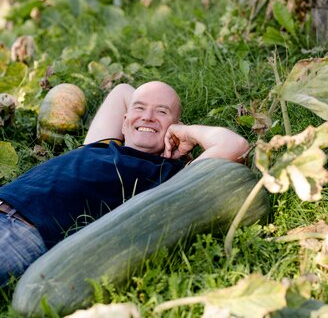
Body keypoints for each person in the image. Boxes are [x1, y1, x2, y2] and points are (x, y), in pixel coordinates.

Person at [0, 81, 249, 287]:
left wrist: (187, 133)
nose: (148, 117)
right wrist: (147, 113)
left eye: (161, 112)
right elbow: (121, 92)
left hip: (22, 230)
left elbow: (235, 146)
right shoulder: (102, 144)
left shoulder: (170, 178)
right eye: (139, 108)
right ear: (124, 120)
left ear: (175, 126)